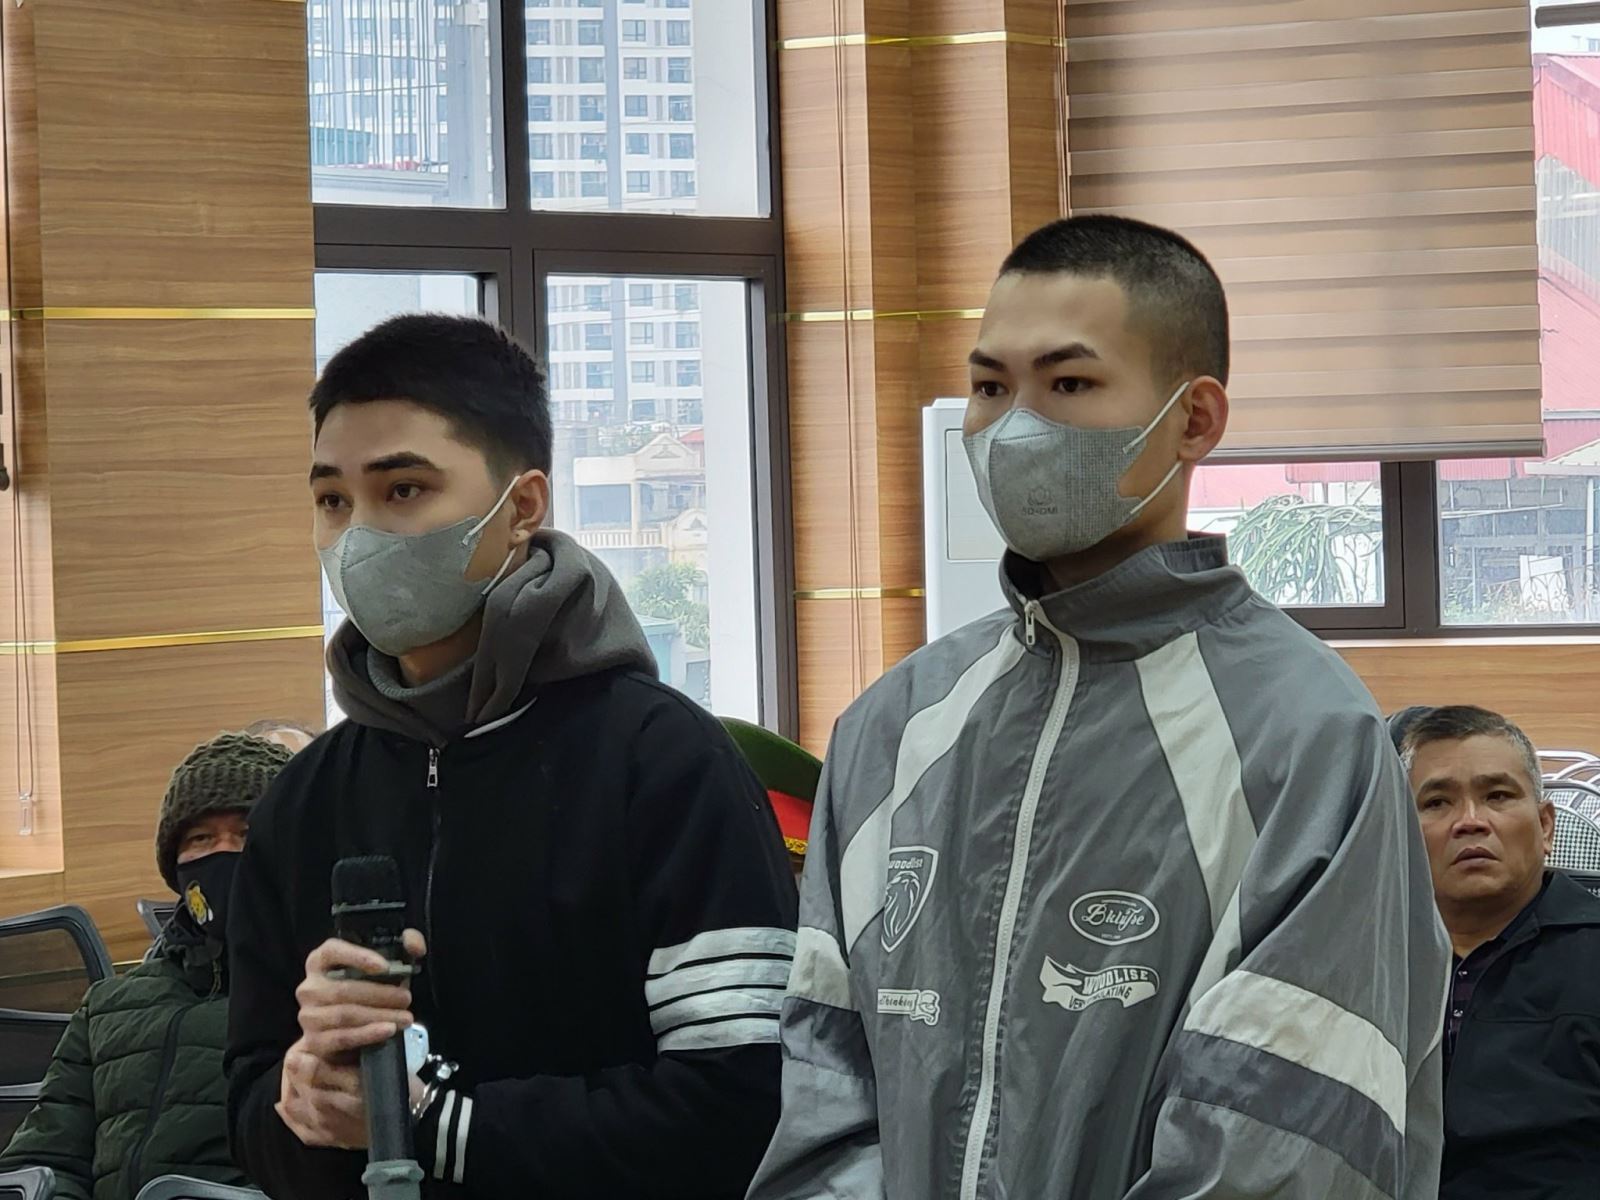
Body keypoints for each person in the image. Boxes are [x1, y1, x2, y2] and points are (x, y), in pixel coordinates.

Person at [749, 215, 1450, 1200]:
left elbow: (1281, 1144)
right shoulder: (893, 725)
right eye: (991, 387)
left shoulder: (1304, 737)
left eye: (1069, 384)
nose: (1015, 427)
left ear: (1193, 420)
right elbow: (828, 1082)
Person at [224, 315, 797, 1199]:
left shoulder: (665, 764)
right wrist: (301, 1105)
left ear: (523, 507)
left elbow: (743, 1103)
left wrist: (438, 1126)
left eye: (404, 490)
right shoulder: (304, 798)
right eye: (333, 501)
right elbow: (248, 1103)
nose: (360, 536)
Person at [0, 732, 293, 1200]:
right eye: (201, 838)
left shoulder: (318, 1004)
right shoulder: (110, 1005)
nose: (223, 852)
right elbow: (44, 1160)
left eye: (246, 833)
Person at [1401, 704, 1600, 1200]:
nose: (1470, 822)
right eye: (1437, 802)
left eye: (1497, 796)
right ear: (1399, 835)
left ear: (1546, 826)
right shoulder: (1361, 959)